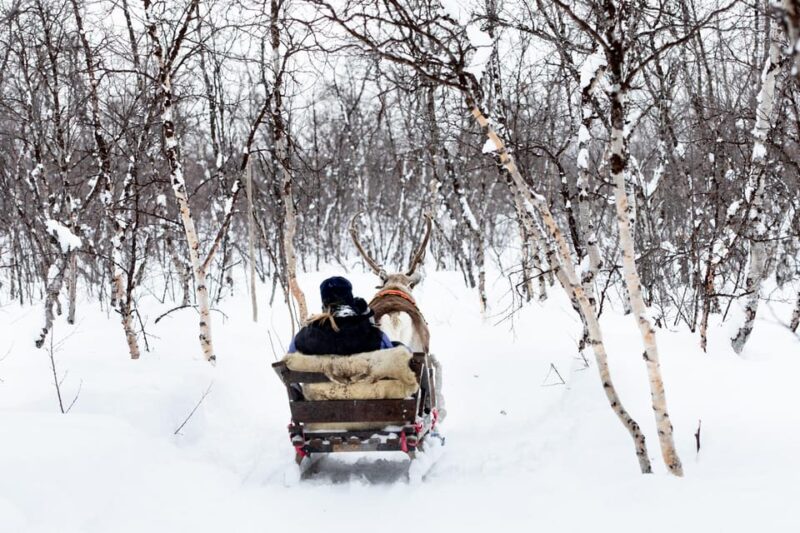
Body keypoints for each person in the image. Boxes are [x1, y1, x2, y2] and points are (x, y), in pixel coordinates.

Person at [288, 276, 394, 355]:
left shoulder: (305, 337)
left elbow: (288, 363)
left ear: (324, 303)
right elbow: (392, 357)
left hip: (320, 384)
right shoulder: (373, 336)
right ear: (350, 299)